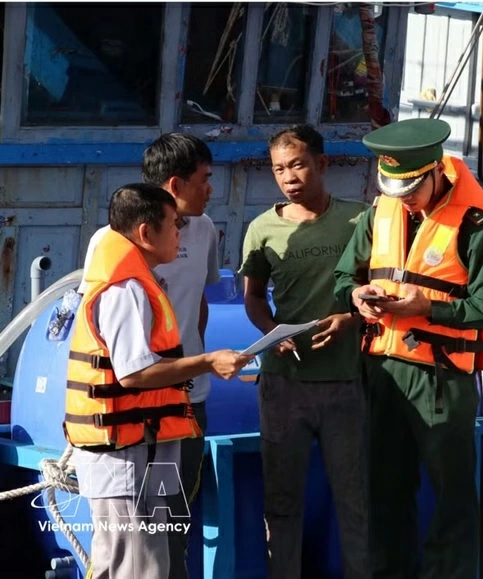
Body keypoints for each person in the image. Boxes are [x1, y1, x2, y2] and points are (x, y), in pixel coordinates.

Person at [334, 118, 483, 579]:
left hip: (440, 378)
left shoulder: (475, 225)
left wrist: (426, 308)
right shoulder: (379, 213)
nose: (404, 198)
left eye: (411, 188)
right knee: (384, 492)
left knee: (452, 496)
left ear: (437, 172)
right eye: (396, 189)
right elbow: (343, 277)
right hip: (382, 373)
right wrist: (356, 297)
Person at [65, 183, 250, 579]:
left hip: (145, 447)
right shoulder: (125, 290)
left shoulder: (136, 282)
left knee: (144, 561)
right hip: (128, 454)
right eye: (173, 225)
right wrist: (207, 361)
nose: (181, 234)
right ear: (147, 233)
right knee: (137, 565)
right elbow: (134, 374)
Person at [78, 133, 220, 577]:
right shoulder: (114, 252)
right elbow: (122, 357)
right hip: (130, 430)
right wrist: (207, 361)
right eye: (204, 180)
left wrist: (190, 371)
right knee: (136, 546)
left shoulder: (207, 229)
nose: (210, 189)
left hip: (179, 415)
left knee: (167, 523)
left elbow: (199, 303)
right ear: (175, 185)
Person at [239, 124, 370, 579]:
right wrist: (275, 332)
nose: (288, 177)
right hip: (283, 386)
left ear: (322, 163)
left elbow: (380, 291)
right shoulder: (261, 229)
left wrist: (350, 319)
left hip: (346, 384)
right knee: (282, 501)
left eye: (297, 164)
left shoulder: (360, 219)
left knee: (355, 500)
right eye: (278, 168)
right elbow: (254, 299)